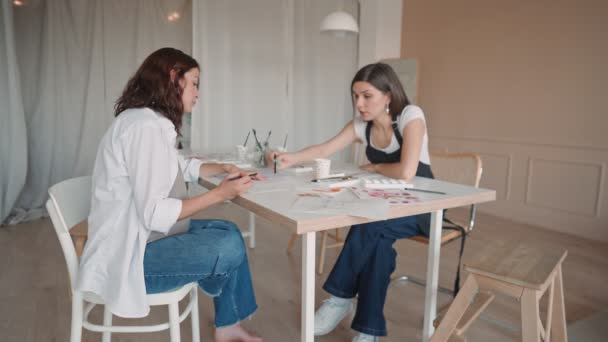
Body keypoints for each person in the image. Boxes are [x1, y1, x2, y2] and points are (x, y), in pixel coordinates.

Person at [76, 48, 262, 342]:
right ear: (174, 78)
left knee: (227, 230)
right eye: (195, 82)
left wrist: (222, 168)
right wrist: (220, 195)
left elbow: (175, 166)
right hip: (130, 261)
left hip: (141, 240)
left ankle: (228, 325)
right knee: (227, 245)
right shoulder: (144, 127)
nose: (198, 93)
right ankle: (227, 321)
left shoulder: (147, 121)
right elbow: (154, 213)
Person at [271, 62, 434, 342]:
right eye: (355, 96)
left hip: (422, 207)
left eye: (367, 96)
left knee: (368, 222)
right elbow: (325, 148)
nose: (359, 103)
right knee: (379, 247)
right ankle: (368, 330)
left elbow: (407, 171)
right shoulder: (363, 125)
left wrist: (376, 168)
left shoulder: (410, 115)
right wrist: (291, 158)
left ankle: (339, 298)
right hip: (386, 205)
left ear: (388, 95)